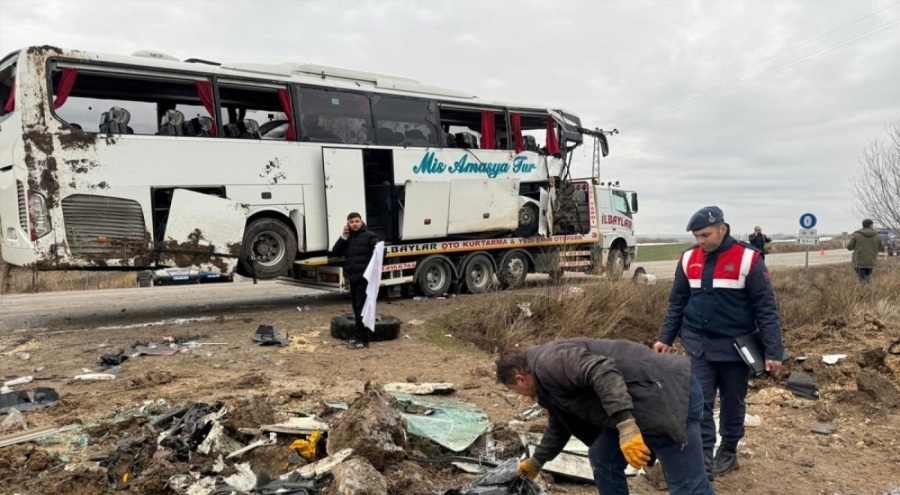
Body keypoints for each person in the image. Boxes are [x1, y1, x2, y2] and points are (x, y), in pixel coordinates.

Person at [653, 206, 784, 480]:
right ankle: (703, 460)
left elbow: (766, 308)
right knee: (698, 403)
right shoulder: (689, 258)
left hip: (736, 347)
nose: (701, 241)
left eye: (705, 235)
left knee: (732, 401)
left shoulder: (749, 258)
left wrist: (773, 351)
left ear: (723, 229)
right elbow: (677, 302)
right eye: (696, 236)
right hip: (698, 345)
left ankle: (729, 449)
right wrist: (665, 337)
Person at [498, 338, 716, 495]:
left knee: (688, 488)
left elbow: (602, 371)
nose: (518, 394)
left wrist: (626, 426)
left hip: (668, 396)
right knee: (604, 458)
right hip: (639, 403)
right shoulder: (546, 384)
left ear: (520, 379)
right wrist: (536, 462)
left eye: (512, 389)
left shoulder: (550, 361)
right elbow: (560, 425)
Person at [331, 212, 379, 349]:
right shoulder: (349, 238)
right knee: (356, 309)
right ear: (348, 224)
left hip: (364, 279)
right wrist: (343, 237)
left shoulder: (370, 236)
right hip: (353, 278)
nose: (354, 224)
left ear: (361, 221)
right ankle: (359, 335)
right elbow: (336, 252)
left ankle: (363, 340)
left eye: (357, 221)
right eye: (351, 222)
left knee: (361, 309)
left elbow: (379, 252)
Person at [847, 219, 885, 283]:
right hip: (871, 261)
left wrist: (857, 248)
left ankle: (865, 291)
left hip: (859, 260)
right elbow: (882, 248)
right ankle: (868, 290)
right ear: (871, 225)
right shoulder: (877, 236)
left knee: (862, 280)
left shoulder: (856, 235)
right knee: (867, 278)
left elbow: (849, 247)